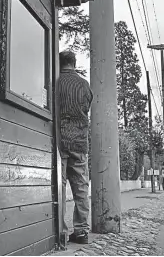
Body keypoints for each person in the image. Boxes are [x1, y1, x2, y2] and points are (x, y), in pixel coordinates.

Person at [58, 50, 93, 245]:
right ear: (74, 63)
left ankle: (60, 231)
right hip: (80, 142)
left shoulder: (56, 82)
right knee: (81, 188)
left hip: (61, 140)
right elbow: (87, 107)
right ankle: (81, 232)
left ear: (60, 62)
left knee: (59, 186)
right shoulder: (84, 84)